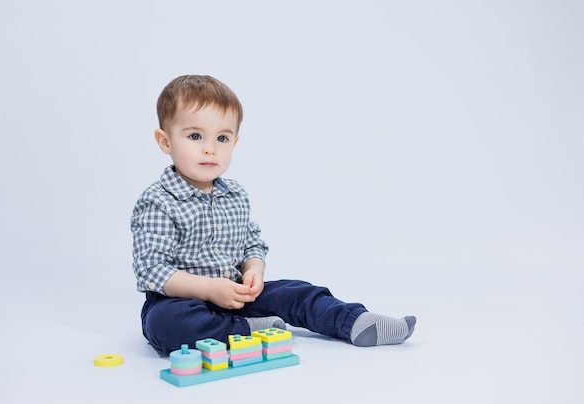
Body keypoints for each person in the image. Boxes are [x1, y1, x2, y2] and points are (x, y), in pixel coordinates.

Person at [131, 75, 416, 355]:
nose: (210, 148)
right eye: (195, 136)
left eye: (222, 137)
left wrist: (254, 270)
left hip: (235, 293)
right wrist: (208, 289)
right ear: (165, 141)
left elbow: (251, 243)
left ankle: (353, 322)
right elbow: (152, 269)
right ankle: (245, 329)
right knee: (166, 325)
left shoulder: (235, 195)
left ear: (235, 142)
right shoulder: (158, 201)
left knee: (298, 291)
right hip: (180, 302)